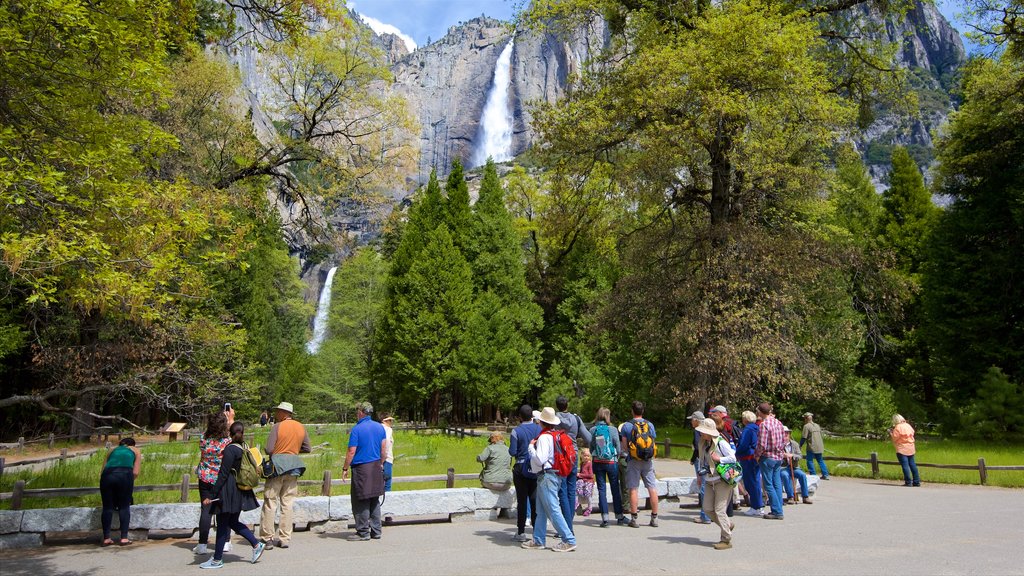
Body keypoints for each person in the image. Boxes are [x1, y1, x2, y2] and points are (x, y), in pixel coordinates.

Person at [200, 422, 266, 569]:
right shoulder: (244, 447)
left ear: (230, 433)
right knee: (232, 522)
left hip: (228, 490)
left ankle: (217, 560)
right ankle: (256, 544)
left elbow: (223, 474)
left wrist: (211, 495)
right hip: (240, 490)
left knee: (223, 522)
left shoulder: (230, 449)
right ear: (243, 432)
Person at [522, 407, 576, 552]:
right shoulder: (553, 435)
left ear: (541, 422)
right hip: (554, 474)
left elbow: (540, 459)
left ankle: (569, 539)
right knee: (541, 510)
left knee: (553, 509)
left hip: (546, 475)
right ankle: (538, 539)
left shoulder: (545, 437)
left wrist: (530, 448)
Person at [260, 401, 311, 549]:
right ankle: (284, 538)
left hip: (277, 466)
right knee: (287, 503)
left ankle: (267, 537)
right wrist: (293, 450)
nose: (276, 414)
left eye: (278, 411)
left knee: (270, 501)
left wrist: (279, 450)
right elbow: (307, 448)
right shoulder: (301, 427)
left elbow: (270, 449)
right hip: (294, 466)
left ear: (283, 413)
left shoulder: (277, 426)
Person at [341, 402, 387, 541]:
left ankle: (363, 532)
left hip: (362, 468)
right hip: (376, 466)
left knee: (360, 499)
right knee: (374, 499)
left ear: (361, 412)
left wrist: (345, 468)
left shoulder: (357, 429)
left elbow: (351, 451)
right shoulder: (380, 427)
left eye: (357, 411)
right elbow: (384, 449)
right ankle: (376, 530)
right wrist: (381, 463)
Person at [695, 418, 737, 550]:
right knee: (707, 509)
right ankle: (727, 525)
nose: (700, 433)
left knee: (719, 510)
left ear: (709, 432)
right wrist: (699, 475)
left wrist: (719, 459)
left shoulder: (720, 442)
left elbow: (733, 458)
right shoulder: (704, 443)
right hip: (709, 480)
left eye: (702, 431)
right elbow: (702, 460)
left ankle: (726, 540)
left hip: (722, 480)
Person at [194, 411, 232, 555]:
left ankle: (202, 544)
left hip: (205, 477)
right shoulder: (227, 441)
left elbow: (208, 433)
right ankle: (225, 542)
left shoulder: (203, 439)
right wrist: (230, 420)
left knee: (206, 510)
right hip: (221, 479)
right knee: (224, 511)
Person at [554, 395, 592, 532]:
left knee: (562, 490)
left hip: (559, 455)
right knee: (571, 490)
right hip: (573, 454)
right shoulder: (576, 419)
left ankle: (565, 526)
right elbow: (588, 437)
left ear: (556, 405)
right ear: (567, 405)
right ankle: (569, 523)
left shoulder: (554, 419)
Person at [620, 400, 659, 528]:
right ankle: (654, 517)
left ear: (632, 411)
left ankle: (634, 519)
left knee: (633, 488)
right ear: (642, 411)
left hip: (633, 460)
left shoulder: (627, 426)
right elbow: (653, 441)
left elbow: (625, 447)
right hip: (648, 461)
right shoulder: (650, 425)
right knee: (652, 488)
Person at [100, 437, 141, 546]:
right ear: (133, 444)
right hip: (125, 475)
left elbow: (103, 469)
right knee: (124, 506)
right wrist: (128, 481)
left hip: (107, 475)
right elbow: (136, 472)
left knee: (107, 507)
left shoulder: (112, 450)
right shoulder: (135, 450)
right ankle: (124, 538)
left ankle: (106, 538)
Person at [588, 407, 625, 527]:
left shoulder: (593, 429)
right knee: (615, 488)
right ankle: (619, 516)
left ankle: (605, 519)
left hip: (598, 463)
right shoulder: (613, 429)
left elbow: (591, 447)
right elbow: (618, 448)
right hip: (611, 463)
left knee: (601, 490)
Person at [509, 404, 541, 542]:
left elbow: (512, 451)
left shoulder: (516, 431)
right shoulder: (539, 429)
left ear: (520, 417)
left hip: (521, 467)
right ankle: (537, 531)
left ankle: (521, 532)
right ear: (532, 416)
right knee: (534, 500)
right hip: (535, 467)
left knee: (522, 500)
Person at [754, 402, 786, 520]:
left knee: (768, 485)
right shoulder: (778, 422)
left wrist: (757, 455)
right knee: (776, 483)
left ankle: (777, 511)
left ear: (761, 412)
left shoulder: (764, 425)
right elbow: (783, 440)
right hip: (778, 456)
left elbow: (762, 444)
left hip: (768, 457)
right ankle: (778, 508)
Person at [736, 410, 764, 517]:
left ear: (745, 419)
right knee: (755, 480)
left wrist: (737, 452)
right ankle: (758, 505)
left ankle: (756, 506)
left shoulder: (748, 430)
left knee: (750, 482)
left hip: (747, 457)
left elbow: (743, 444)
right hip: (754, 456)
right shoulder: (757, 428)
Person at [687, 410, 713, 524]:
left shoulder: (698, 430)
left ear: (696, 420)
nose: (691, 422)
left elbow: (698, 447)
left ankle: (705, 515)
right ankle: (710, 513)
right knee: (707, 485)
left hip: (701, 459)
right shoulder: (707, 428)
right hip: (708, 458)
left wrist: (693, 459)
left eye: (692, 420)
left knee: (703, 485)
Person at [781, 426, 813, 504]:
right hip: (783, 467)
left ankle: (805, 496)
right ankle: (790, 496)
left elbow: (800, 455)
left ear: (789, 434)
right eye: (783, 434)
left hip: (794, 467)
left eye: (787, 434)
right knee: (785, 475)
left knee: (802, 475)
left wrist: (792, 456)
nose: (785, 435)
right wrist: (782, 456)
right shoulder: (778, 445)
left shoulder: (794, 444)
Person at [890, 414, 921, 487]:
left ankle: (908, 482)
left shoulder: (898, 427)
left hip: (902, 448)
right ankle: (916, 482)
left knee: (905, 466)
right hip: (911, 447)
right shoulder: (908, 425)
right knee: (913, 465)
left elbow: (895, 438)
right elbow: (913, 433)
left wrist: (891, 433)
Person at [801, 413, 830, 480]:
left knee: (809, 461)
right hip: (819, 446)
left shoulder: (806, 426)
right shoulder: (817, 425)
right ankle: (825, 474)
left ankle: (813, 475)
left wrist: (800, 445)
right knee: (820, 460)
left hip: (812, 446)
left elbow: (804, 437)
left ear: (806, 418)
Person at [576, 448, 595, 516]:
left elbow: (591, 475)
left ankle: (590, 507)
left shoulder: (589, 464)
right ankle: (578, 501)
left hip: (589, 481)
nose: (586, 457)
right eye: (585, 456)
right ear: (581, 456)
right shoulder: (582, 464)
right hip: (584, 480)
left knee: (588, 493)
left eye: (588, 456)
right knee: (578, 484)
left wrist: (580, 475)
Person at [381, 414, 395, 492]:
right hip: (386, 459)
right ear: (384, 421)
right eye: (389, 420)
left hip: (377, 458)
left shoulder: (377, 429)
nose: (390, 422)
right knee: (387, 484)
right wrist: (384, 456)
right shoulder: (388, 429)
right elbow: (386, 442)